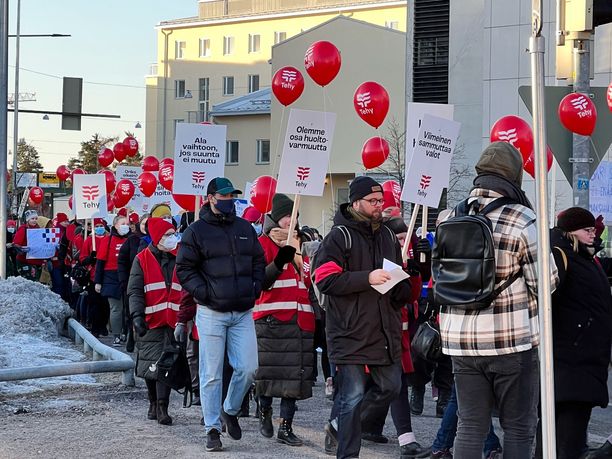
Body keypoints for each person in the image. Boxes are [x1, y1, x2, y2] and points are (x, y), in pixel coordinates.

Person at [438, 142, 558, 458]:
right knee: (519, 426)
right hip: (511, 342)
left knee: (470, 424)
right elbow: (545, 285)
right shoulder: (523, 219)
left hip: (459, 339)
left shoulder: (449, 216)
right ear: (514, 177)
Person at [313, 176, 413, 459]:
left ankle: (337, 424)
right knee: (352, 396)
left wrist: (407, 279)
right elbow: (326, 281)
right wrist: (366, 278)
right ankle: (348, 454)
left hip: (383, 329)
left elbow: (398, 287)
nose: (379, 206)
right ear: (356, 202)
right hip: (349, 330)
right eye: (373, 201)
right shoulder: (338, 236)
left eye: (381, 200)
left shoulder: (388, 236)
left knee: (391, 387)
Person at [176, 177, 265, 452]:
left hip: (242, 311)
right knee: (211, 374)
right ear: (211, 198)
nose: (229, 201)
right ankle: (212, 428)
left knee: (249, 368)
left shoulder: (244, 228)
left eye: (232, 196)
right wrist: (204, 293)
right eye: (224, 196)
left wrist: (254, 287)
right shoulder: (196, 231)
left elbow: (258, 260)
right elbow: (184, 269)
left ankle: (230, 408)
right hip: (211, 312)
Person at [539, 208, 612, 459]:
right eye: (587, 231)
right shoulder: (559, 255)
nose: (593, 235)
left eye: (594, 230)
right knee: (560, 439)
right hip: (570, 359)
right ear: (570, 232)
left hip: (583, 360)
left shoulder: (583, 256)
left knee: (564, 437)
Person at [254, 193, 315, 446]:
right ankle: (264, 411)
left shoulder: (304, 245)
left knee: (294, 380)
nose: (292, 220)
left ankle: (286, 426)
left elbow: (308, 282)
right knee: (269, 374)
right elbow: (260, 282)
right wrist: (279, 261)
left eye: (295, 215)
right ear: (276, 218)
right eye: (287, 215)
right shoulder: (261, 244)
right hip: (272, 320)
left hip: (300, 320)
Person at [128, 217, 182, 426]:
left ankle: (162, 406)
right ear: (159, 237)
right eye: (168, 234)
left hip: (173, 321)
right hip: (150, 321)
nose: (173, 238)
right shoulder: (141, 259)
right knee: (150, 365)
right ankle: (152, 401)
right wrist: (137, 316)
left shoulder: (180, 257)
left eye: (173, 234)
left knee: (165, 365)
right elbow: (134, 291)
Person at [95, 215, 131, 346]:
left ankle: (126, 333)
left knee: (128, 308)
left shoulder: (131, 239)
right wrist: (98, 281)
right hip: (111, 276)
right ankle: (116, 334)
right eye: (123, 223)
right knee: (116, 308)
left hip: (128, 276)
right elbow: (100, 262)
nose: (125, 225)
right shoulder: (107, 240)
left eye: (127, 223)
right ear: (115, 225)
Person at [118, 213, 149, 352]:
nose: (146, 227)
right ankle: (131, 334)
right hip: (133, 281)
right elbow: (122, 261)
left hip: (151, 282)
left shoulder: (158, 240)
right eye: (144, 224)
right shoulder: (131, 240)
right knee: (132, 310)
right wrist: (124, 280)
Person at [80, 219, 110, 335]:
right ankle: (95, 327)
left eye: (100, 225)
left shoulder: (109, 239)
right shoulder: (89, 241)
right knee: (94, 303)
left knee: (105, 304)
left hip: (107, 275)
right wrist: (90, 259)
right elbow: (82, 259)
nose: (99, 228)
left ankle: (103, 325)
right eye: (96, 226)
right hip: (93, 276)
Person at [12, 209, 44, 281]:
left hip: (37, 261)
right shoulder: (23, 229)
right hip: (25, 261)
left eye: (36, 218)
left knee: (36, 282)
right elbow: (16, 243)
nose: (34, 220)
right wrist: (21, 249)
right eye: (32, 218)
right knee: (29, 281)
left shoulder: (39, 229)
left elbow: (42, 244)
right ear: (27, 220)